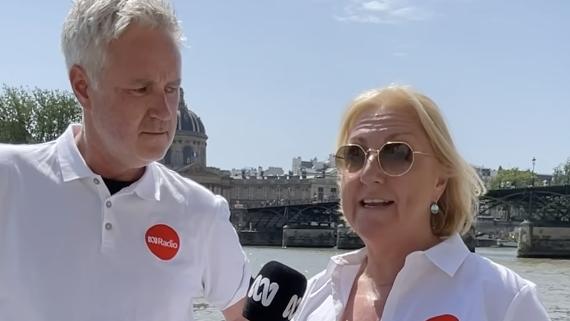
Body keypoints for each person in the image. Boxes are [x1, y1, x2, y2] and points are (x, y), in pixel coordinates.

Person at [0, 1, 250, 320]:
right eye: (141, 89)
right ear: (83, 86)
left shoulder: (201, 212)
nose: (164, 111)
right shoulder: (7, 180)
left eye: (171, 88)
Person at [293, 85, 550, 321]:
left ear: (439, 180)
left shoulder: (504, 301)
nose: (369, 174)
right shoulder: (318, 293)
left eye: (396, 153)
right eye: (354, 155)